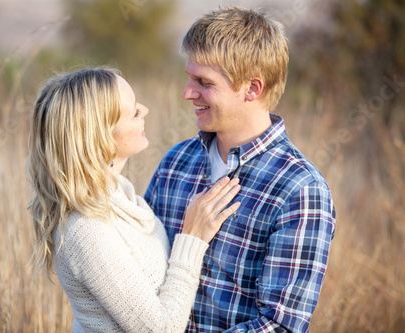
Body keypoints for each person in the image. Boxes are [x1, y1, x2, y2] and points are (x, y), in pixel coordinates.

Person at [144, 7, 336, 333]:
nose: (187, 93)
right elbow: (140, 270)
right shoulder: (176, 162)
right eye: (190, 78)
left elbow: (279, 326)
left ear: (252, 89)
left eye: (204, 82)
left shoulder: (300, 190)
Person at [27, 67, 242, 332]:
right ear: (101, 135)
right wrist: (193, 239)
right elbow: (161, 329)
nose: (145, 111)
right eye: (134, 113)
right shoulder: (87, 230)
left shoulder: (124, 198)